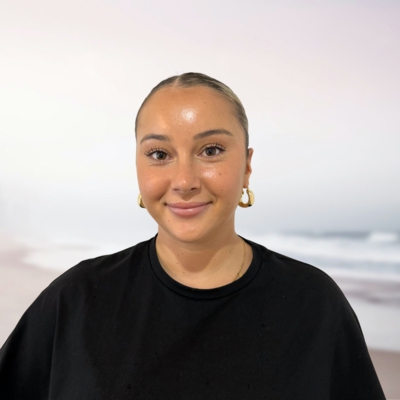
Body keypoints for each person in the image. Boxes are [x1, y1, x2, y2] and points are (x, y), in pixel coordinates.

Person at [0, 72, 385, 399]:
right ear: (138, 166)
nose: (184, 181)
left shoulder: (314, 304)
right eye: (159, 155)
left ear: (247, 166)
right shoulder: (77, 299)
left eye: (211, 150)